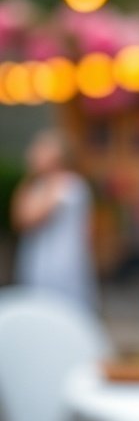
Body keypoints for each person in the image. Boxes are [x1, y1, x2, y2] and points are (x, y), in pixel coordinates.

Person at [11, 130, 98, 310]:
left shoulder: (70, 185)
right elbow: (18, 219)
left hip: (62, 265)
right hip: (39, 262)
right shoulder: (37, 185)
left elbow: (34, 217)